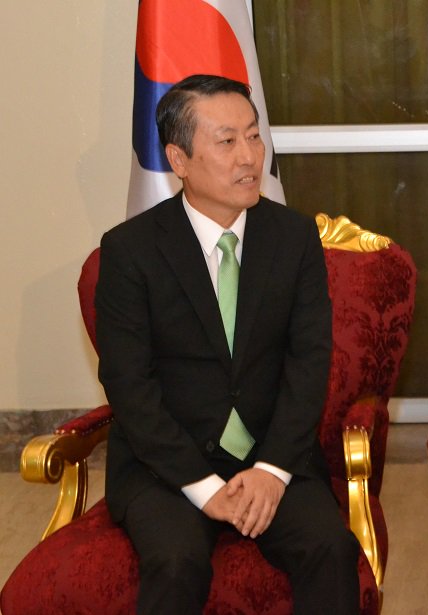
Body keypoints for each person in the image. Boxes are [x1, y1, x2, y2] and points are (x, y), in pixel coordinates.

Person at [95, 74, 359, 614]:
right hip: (166, 467)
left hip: (271, 454)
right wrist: (201, 485)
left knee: (330, 548)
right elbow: (129, 386)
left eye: (254, 136)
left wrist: (273, 471)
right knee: (175, 562)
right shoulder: (130, 251)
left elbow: (309, 363)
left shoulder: (293, 237)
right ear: (179, 159)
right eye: (227, 141)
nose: (249, 157)